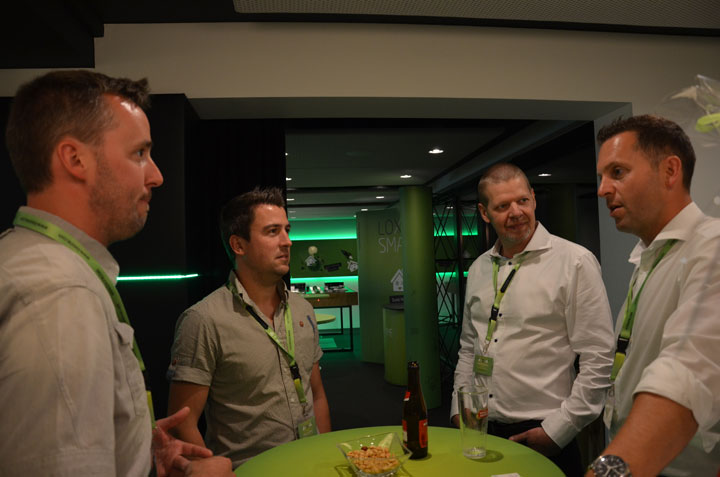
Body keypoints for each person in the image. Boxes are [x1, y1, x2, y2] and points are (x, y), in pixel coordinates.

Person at [0, 70, 232, 476]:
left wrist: (134, 449)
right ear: (75, 159)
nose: (156, 175)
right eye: (139, 153)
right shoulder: (60, 294)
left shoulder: (27, 258)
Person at [451, 163, 615, 476]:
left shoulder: (574, 262)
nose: (516, 212)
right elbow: (469, 347)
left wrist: (558, 431)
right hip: (480, 429)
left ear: (534, 199)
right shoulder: (479, 269)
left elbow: (599, 359)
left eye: (522, 201)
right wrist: (460, 408)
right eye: (502, 206)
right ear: (485, 213)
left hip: (543, 432)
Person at [587, 115, 720, 477]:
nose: (602, 189)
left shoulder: (711, 247)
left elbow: (683, 375)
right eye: (601, 177)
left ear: (670, 171)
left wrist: (607, 472)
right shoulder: (651, 257)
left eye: (617, 172)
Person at [167, 187, 332, 467]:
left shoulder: (302, 309)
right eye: (272, 232)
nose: (287, 242)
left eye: (287, 230)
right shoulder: (203, 320)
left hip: (311, 464)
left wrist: (324, 457)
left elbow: (316, 393)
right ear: (238, 245)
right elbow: (181, 422)